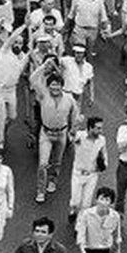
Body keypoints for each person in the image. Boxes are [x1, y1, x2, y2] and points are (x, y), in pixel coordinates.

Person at [29, 72, 79, 204]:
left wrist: (74, 128)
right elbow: (33, 79)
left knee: (57, 161)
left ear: (62, 86)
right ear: (48, 86)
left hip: (62, 133)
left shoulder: (69, 99)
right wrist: (44, 66)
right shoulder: (43, 95)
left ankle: (52, 180)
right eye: (52, 86)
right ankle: (41, 190)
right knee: (43, 164)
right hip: (46, 133)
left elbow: (75, 112)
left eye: (57, 86)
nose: (55, 89)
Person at [0, 25, 28, 149]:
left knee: (12, 117)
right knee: (0, 119)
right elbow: (11, 37)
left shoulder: (23, 57)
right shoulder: (4, 51)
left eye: (20, 43)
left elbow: (33, 52)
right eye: (16, 42)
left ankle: (2, 130)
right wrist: (24, 26)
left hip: (11, 90)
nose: (17, 44)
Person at [69, 117, 107, 222]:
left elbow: (104, 154)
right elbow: (71, 137)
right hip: (78, 173)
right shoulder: (80, 136)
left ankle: (79, 225)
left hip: (92, 175)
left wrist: (103, 164)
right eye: (98, 128)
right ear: (90, 128)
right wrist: (75, 124)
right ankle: (73, 210)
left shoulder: (102, 140)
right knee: (75, 202)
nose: (101, 131)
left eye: (101, 128)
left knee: (86, 204)